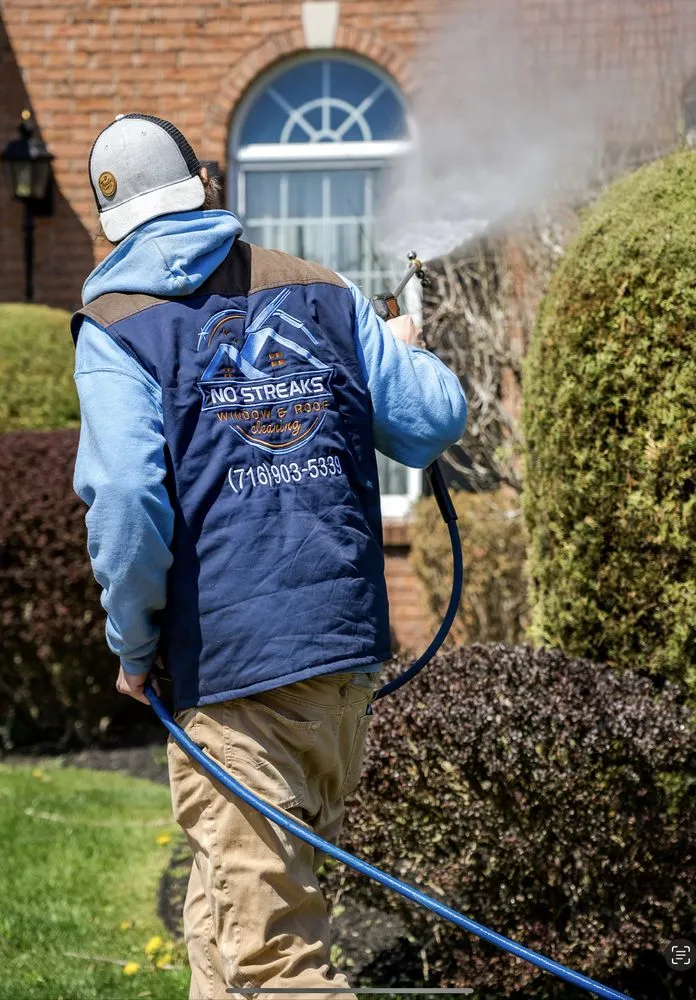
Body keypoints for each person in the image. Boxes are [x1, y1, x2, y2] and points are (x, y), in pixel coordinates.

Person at [71, 113, 467, 1000]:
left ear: (112, 221)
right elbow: (432, 421)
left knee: (276, 958)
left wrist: (132, 647)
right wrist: (402, 353)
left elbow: (129, 502)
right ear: (204, 187)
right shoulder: (321, 291)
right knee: (225, 909)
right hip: (341, 658)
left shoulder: (115, 330)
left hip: (234, 675)